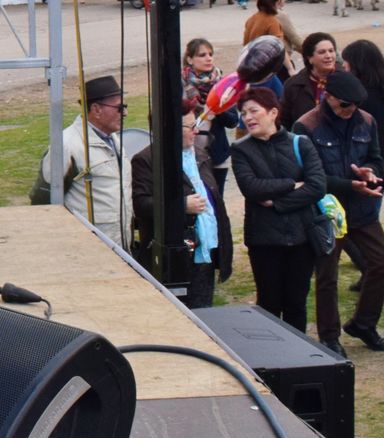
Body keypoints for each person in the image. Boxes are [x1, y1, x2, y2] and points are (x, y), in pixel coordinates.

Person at [291, 70, 384, 355]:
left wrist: (371, 172)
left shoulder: (366, 121)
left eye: (355, 105)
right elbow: (308, 176)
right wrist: (350, 184)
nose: (350, 110)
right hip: (327, 210)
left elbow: (376, 158)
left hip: (362, 209)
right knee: (327, 275)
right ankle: (329, 336)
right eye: (345, 104)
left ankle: (363, 324)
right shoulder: (306, 126)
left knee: (381, 262)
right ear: (327, 96)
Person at [231, 87, 327, 333]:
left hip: (302, 237)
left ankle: (300, 359)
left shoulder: (301, 143)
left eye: (254, 111)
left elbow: (317, 186)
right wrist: (291, 185)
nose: (248, 117)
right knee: (268, 303)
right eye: (244, 113)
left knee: (296, 302)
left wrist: (277, 202)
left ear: (273, 112)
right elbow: (251, 187)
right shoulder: (241, 149)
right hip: (264, 239)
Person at [131, 100, 231, 308]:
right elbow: (141, 205)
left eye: (197, 125)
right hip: (175, 257)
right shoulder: (147, 160)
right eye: (190, 127)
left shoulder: (200, 155)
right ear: (169, 130)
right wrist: (180, 206)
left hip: (204, 252)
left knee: (205, 313)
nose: (196, 132)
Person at [41, 76, 132, 244]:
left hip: (119, 243)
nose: (125, 113)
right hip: (88, 246)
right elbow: (44, 200)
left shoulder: (113, 139)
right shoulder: (66, 145)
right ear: (96, 109)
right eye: (120, 108)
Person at [183, 38, 237, 193]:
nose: (208, 58)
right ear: (189, 59)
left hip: (217, 153)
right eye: (202, 55)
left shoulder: (222, 83)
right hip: (190, 152)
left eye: (210, 54)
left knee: (217, 199)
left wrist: (217, 109)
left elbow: (233, 121)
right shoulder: (180, 83)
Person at [281, 32, 338, 130]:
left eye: (331, 51)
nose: (329, 56)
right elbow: (284, 122)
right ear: (309, 58)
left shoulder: (346, 80)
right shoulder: (293, 85)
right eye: (322, 52)